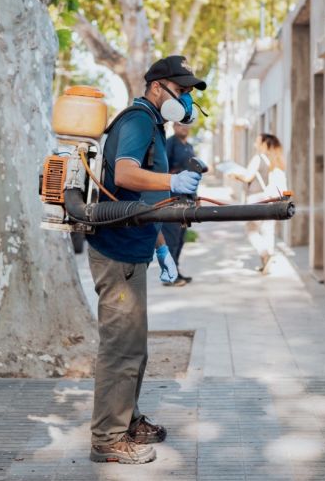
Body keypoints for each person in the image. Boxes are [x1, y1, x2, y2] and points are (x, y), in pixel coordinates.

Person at [85, 55, 206, 464]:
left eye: (189, 92)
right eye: (182, 90)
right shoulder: (138, 121)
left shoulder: (152, 123)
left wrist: (159, 247)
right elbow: (124, 176)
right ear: (157, 87)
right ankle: (107, 439)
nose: (186, 99)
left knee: (134, 347)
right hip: (115, 252)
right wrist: (172, 180)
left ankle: (128, 419)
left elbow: (141, 201)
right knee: (121, 349)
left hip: (133, 248)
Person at [231, 133, 287, 273]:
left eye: (257, 142)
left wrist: (236, 175)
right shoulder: (277, 160)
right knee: (268, 231)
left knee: (251, 230)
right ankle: (266, 262)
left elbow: (248, 176)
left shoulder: (258, 158)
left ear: (264, 144)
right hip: (271, 199)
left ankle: (265, 254)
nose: (255, 145)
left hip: (256, 198)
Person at [161, 122, 196, 287]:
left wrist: (195, 197)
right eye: (181, 125)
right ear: (174, 126)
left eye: (187, 125)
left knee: (181, 238)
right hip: (172, 197)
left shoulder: (189, 147)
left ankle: (176, 271)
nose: (184, 128)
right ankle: (169, 275)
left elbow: (192, 173)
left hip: (186, 198)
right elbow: (162, 169)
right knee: (171, 237)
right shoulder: (170, 144)